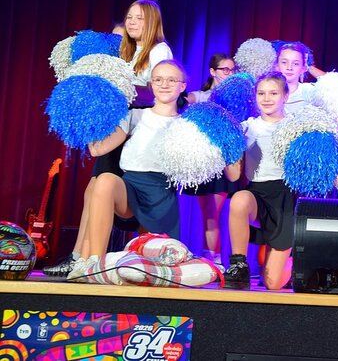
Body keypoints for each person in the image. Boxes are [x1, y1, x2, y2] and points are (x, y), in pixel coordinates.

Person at [44, 1, 173, 277]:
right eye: (129, 17)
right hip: (118, 123)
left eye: (139, 18)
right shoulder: (128, 49)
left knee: (99, 188)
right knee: (92, 188)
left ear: (152, 22)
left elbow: (158, 90)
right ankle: (79, 256)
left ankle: (89, 259)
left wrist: (116, 87)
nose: (132, 22)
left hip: (135, 129)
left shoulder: (159, 50)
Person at [67, 59, 187, 282]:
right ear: (151, 84)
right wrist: (90, 114)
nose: (164, 84)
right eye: (158, 79)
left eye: (172, 80)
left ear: (182, 85)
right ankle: (94, 262)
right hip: (131, 187)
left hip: (161, 194)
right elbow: (98, 149)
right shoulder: (134, 115)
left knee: (153, 272)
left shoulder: (188, 124)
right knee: (104, 180)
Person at [221, 72, 300, 290]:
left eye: (273, 93)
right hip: (257, 195)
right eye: (261, 93)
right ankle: (239, 265)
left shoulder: (297, 127)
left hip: (286, 199)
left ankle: (297, 262)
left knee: (272, 284)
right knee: (238, 200)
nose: (266, 98)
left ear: (285, 95)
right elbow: (233, 176)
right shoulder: (246, 127)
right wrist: (228, 148)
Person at [184, 53, 238, 269]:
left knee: (214, 214)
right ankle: (210, 259)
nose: (229, 73)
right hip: (204, 162)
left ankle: (217, 261)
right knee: (207, 214)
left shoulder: (236, 99)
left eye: (232, 70)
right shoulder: (201, 96)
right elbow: (185, 100)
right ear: (213, 71)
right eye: (225, 69)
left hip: (224, 163)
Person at [275, 42, 325, 114]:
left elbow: (337, 85)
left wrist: (309, 67)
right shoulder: (266, 90)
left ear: (303, 68)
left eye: (296, 64)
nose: (289, 68)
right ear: (277, 66)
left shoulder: (309, 91)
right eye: (284, 62)